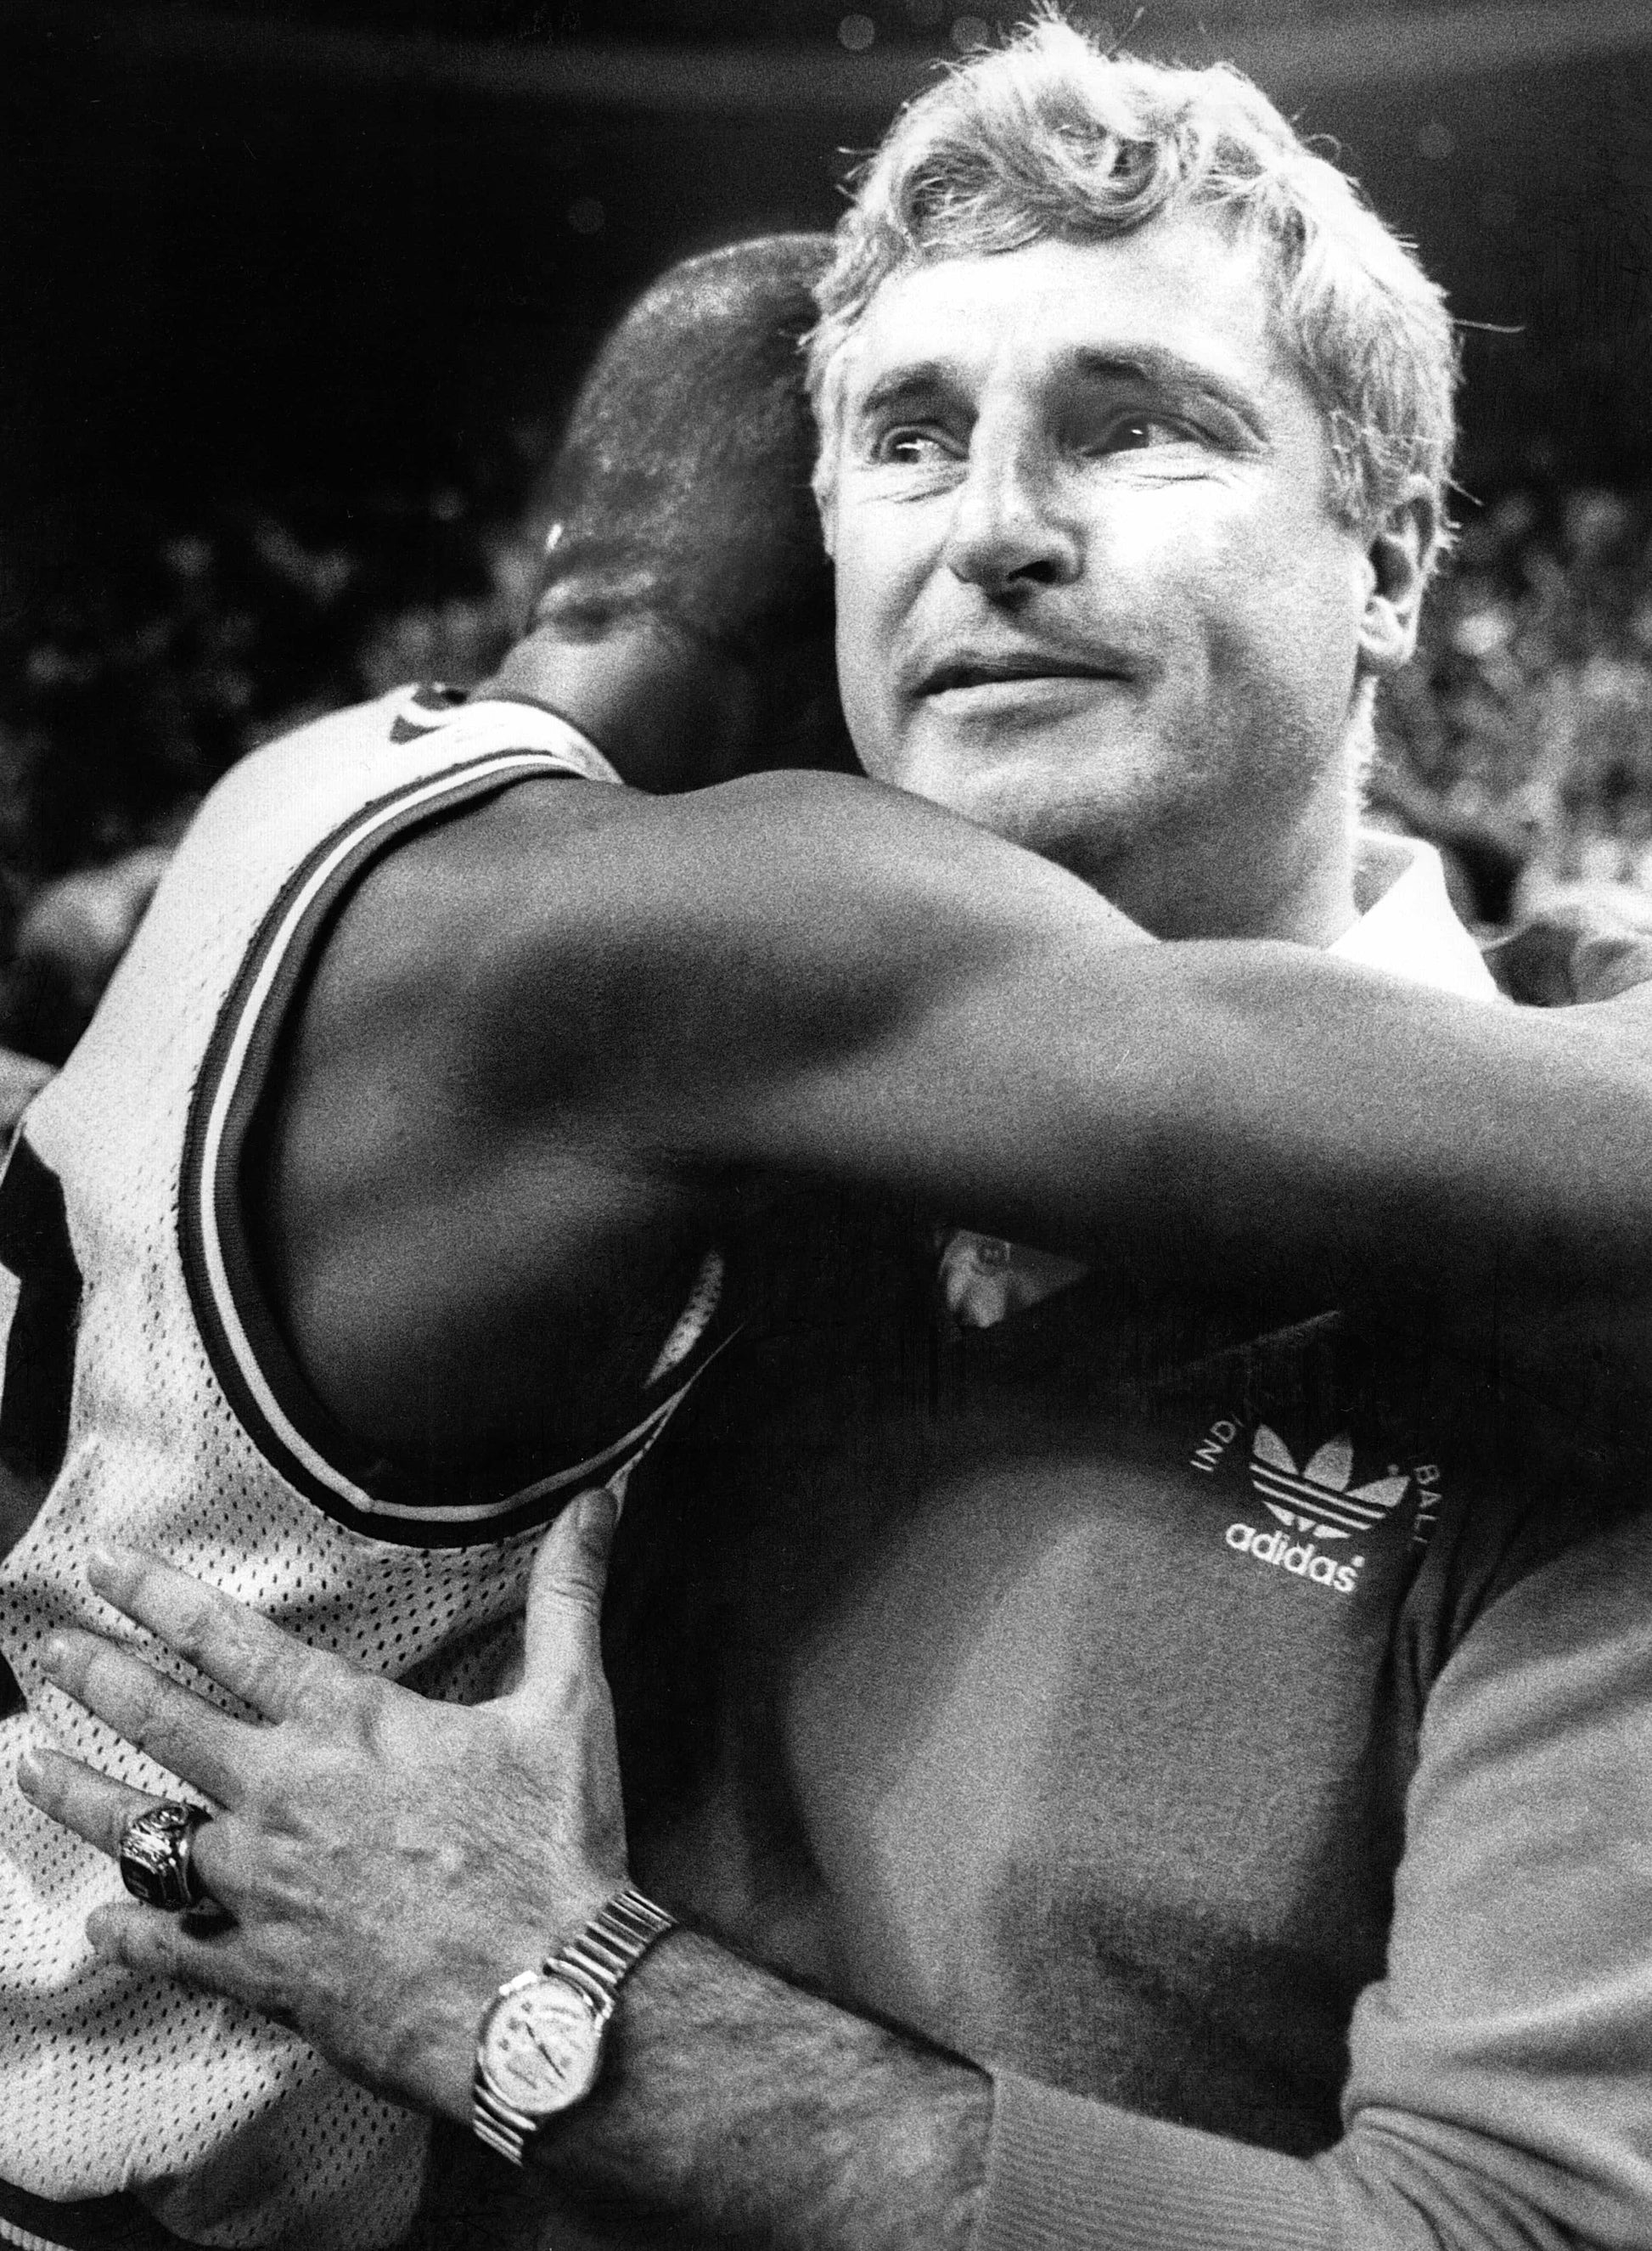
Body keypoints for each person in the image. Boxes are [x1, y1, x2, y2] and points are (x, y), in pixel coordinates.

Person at [18, 22, 1652, 2251]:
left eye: (1136, 424)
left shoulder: (1582, 1309)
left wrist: (548, 1999)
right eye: (908, 439)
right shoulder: (701, 1145)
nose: (994, 530)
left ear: (1386, 560)